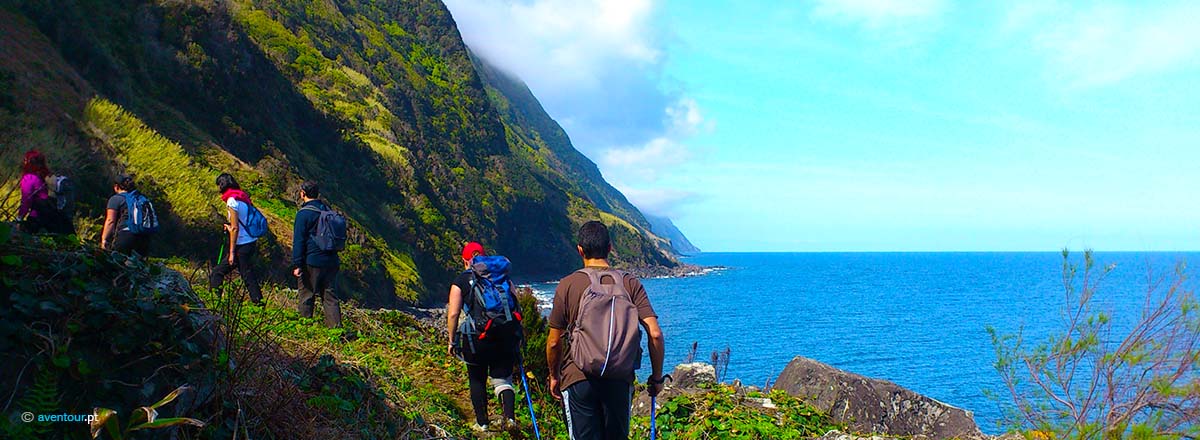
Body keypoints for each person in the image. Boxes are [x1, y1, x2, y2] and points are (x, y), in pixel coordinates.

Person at [546, 221, 666, 440]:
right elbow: (655, 334)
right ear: (610, 247)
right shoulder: (630, 283)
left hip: (578, 376)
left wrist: (554, 376)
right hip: (619, 378)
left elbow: (554, 342)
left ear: (580, 249)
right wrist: (657, 378)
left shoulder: (568, 284)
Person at [446, 242, 519, 432]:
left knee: (477, 379)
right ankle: (510, 419)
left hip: (476, 339)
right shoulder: (500, 276)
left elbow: (453, 314)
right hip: (504, 334)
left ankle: (483, 423)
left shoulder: (461, 280)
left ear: (464, 260)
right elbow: (514, 302)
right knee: (503, 380)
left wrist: (452, 340)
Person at [208, 173, 265, 305]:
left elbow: (235, 228)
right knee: (247, 273)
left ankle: (214, 301)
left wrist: (232, 252)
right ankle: (258, 301)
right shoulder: (242, 197)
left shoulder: (232, 201)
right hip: (250, 241)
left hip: (241, 244)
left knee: (217, 272)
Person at [292, 181, 341, 327]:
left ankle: (306, 327)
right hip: (331, 259)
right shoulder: (327, 210)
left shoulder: (303, 214)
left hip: (312, 260)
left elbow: (299, 240)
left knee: (307, 294)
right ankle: (336, 330)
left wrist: (297, 264)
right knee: (330, 297)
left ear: (303, 193)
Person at [17, 150, 70, 234]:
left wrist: (19, 218)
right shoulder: (47, 175)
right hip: (56, 215)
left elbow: (26, 200)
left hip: (38, 216)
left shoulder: (29, 178)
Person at [101, 175, 152, 256]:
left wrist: (104, 240)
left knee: (118, 263)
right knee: (138, 266)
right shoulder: (141, 198)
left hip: (125, 236)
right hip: (144, 238)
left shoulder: (116, 199)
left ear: (116, 187)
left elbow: (110, 221)